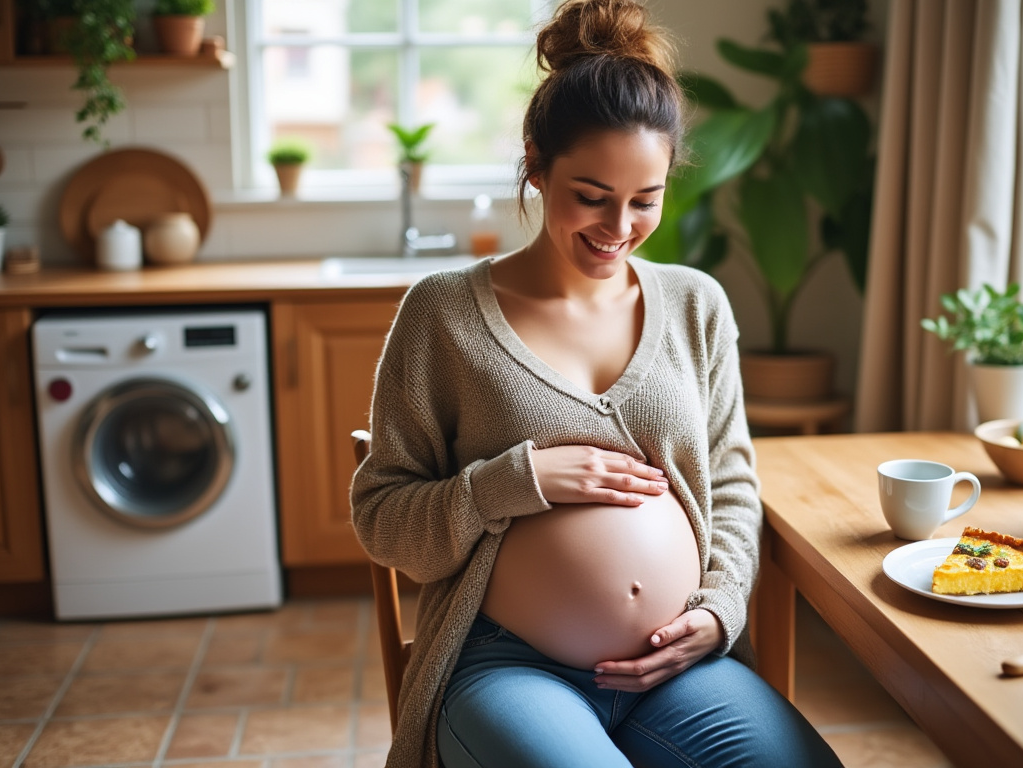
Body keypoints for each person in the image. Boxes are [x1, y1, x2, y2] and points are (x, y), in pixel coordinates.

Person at [351, 1, 845, 766]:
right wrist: (509, 482)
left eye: (644, 200)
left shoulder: (694, 304)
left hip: (676, 674)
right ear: (535, 165)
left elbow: (735, 485)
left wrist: (717, 613)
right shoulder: (443, 314)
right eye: (591, 195)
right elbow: (382, 516)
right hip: (510, 667)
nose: (619, 226)